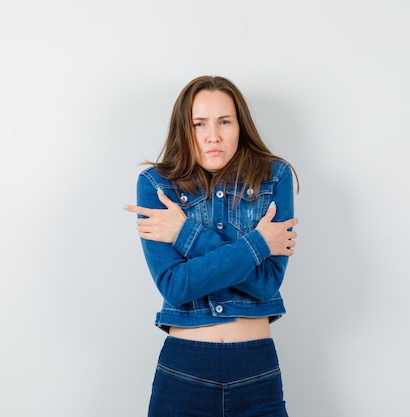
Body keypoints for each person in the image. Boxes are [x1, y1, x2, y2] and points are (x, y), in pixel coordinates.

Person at [124, 75, 298, 417]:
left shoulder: (275, 177)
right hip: (184, 371)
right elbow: (176, 286)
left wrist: (185, 232)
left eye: (224, 122)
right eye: (199, 124)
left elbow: (266, 284)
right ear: (183, 129)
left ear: (240, 125)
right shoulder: (156, 186)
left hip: (256, 371)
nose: (213, 136)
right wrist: (259, 243)